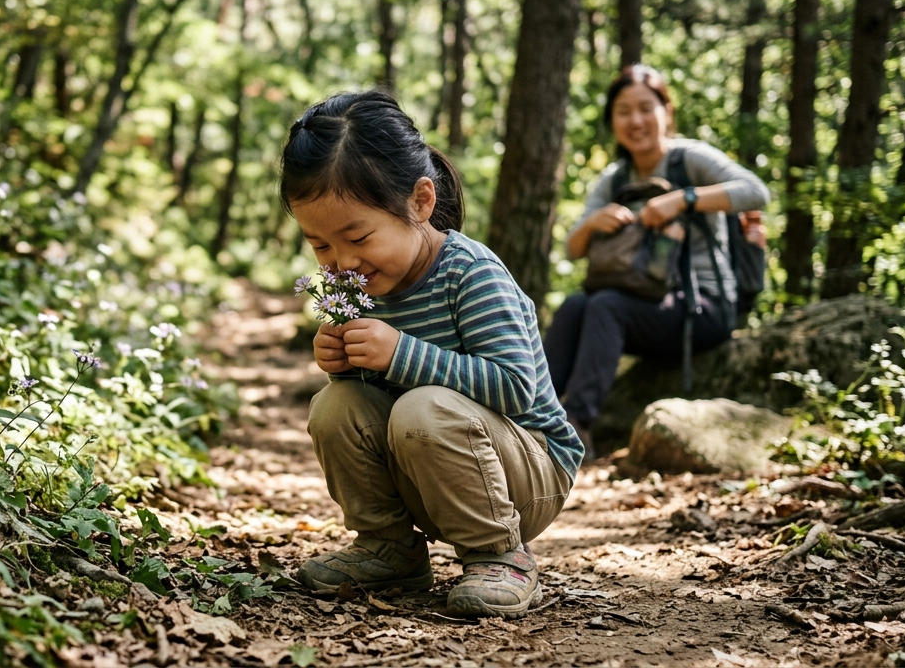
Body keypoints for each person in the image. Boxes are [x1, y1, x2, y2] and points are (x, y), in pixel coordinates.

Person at [280, 90, 584, 619]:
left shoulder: (471, 273)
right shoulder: (359, 285)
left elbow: (517, 387)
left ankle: (499, 554)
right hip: (433, 468)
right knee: (336, 404)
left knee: (425, 407)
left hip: (525, 475)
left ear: (420, 202)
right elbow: (378, 402)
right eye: (321, 247)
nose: (342, 262)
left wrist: (399, 352)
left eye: (358, 237)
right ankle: (388, 547)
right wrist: (347, 362)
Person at [544, 65, 771, 460]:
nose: (636, 120)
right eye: (624, 111)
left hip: (706, 305)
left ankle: (573, 432)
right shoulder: (616, 179)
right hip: (646, 304)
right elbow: (572, 249)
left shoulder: (691, 160)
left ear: (667, 110)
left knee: (604, 305)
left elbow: (756, 192)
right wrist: (592, 223)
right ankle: (529, 414)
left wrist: (682, 199)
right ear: (612, 121)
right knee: (576, 306)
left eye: (646, 108)